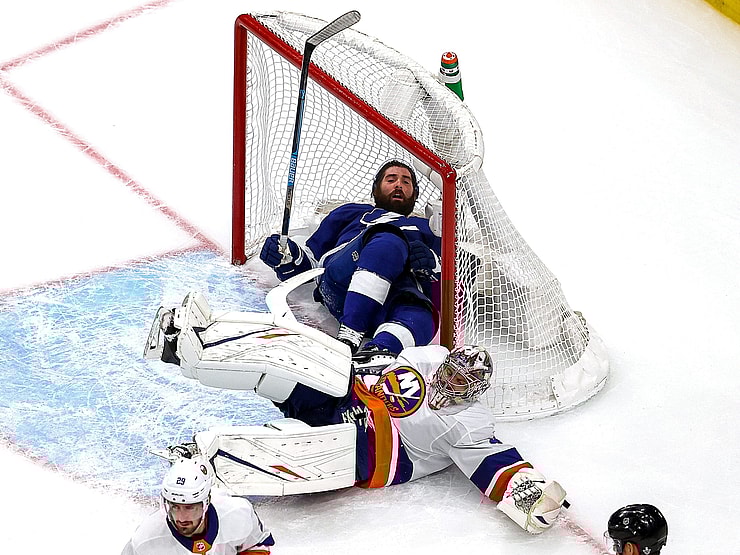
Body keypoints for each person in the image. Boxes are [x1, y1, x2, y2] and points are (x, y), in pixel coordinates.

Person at [272, 344, 569, 534]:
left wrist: (528, 488)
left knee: (297, 445)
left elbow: (496, 462)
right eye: (451, 372)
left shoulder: (469, 423)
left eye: (461, 381)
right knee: (294, 377)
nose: (450, 382)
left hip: (380, 452)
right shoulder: (424, 358)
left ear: (475, 390)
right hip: (355, 401)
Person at [259, 159, 441, 356]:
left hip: (396, 295)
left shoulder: (428, 228)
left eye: (406, 182)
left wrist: (434, 264)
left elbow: (448, 291)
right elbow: (310, 266)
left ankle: (376, 356)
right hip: (343, 282)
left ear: (415, 194)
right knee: (389, 241)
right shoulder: (350, 213)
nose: (399, 185)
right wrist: (287, 258)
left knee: (424, 317)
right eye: (391, 179)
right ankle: (350, 334)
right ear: (375, 189)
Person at [122, 455, 275, 554]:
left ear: (206, 503)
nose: (181, 518)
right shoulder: (146, 540)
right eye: (174, 507)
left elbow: (257, 545)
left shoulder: (237, 513)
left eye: (190, 507)